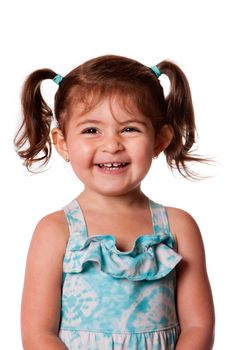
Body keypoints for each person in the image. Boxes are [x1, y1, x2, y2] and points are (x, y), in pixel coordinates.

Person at [15, 54, 215, 349]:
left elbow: (198, 325)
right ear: (62, 142)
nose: (112, 145)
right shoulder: (55, 231)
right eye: (91, 130)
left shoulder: (178, 227)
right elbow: (38, 334)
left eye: (129, 129)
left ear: (159, 140)